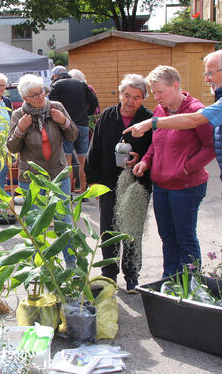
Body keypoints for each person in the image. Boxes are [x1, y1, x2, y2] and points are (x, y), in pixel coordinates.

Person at [124, 49, 222, 288]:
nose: (207, 78)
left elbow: (195, 121)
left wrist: (152, 124)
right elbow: (160, 143)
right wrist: (148, 158)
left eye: (210, 73)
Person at [133, 65, 215, 278]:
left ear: (176, 85)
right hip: (161, 185)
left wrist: (187, 168)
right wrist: (146, 161)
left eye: (160, 92)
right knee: (167, 236)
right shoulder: (161, 111)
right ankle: (169, 279)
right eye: (153, 93)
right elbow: (156, 142)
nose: (156, 97)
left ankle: (192, 281)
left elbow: (211, 146)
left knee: (185, 237)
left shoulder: (196, 110)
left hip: (186, 186)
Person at [85, 74, 153, 293]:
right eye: (126, 95)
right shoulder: (107, 116)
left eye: (136, 97)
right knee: (109, 229)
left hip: (136, 185)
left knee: (132, 230)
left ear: (143, 99)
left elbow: (155, 151)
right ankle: (109, 275)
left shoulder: (148, 119)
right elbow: (94, 149)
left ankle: (132, 275)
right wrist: (93, 181)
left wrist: (139, 157)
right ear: (120, 94)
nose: (130, 101)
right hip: (108, 181)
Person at [6, 73, 78, 267]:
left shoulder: (56, 108)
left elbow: (73, 136)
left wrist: (63, 120)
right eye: (34, 95)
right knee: (35, 224)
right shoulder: (19, 115)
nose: (40, 97)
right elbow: (12, 148)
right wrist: (20, 129)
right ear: (24, 99)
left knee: (64, 221)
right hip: (32, 179)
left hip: (58, 174)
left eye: (42, 92)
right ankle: (41, 267)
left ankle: (71, 265)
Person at [49, 65, 99, 194]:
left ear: (55, 76)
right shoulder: (81, 84)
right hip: (82, 126)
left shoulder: (56, 86)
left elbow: (51, 107)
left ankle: (68, 194)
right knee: (83, 162)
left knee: (67, 164)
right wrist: (85, 114)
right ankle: (83, 192)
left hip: (66, 127)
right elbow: (94, 102)